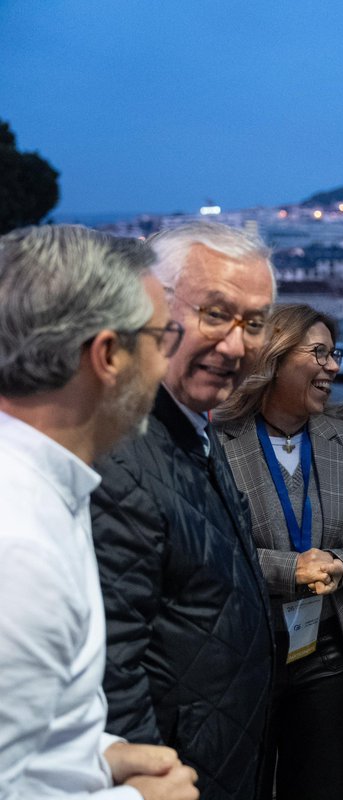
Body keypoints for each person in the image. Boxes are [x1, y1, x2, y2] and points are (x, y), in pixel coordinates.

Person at [0, 225, 197, 799]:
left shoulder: (39, 488)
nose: (166, 363)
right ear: (109, 354)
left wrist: (92, 752)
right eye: (164, 336)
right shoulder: (20, 550)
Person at [91, 220, 277, 800]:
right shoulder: (120, 456)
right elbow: (113, 676)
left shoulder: (193, 429)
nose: (236, 344)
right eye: (215, 314)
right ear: (149, 306)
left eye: (255, 324)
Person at [213, 304, 343, 800]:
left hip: (327, 652)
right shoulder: (220, 443)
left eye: (333, 353)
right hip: (247, 653)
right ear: (273, 357)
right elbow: (219, 552)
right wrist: (292, 569)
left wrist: (338, 565)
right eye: (319, 353)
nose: (333, 366)